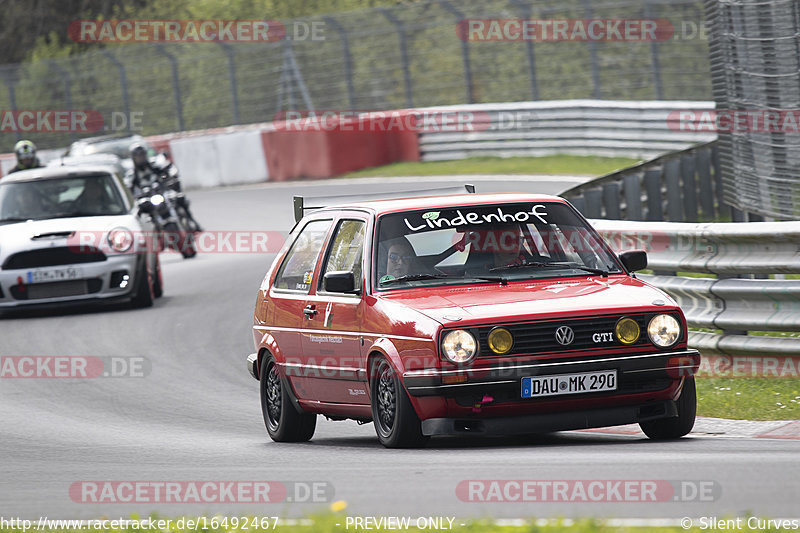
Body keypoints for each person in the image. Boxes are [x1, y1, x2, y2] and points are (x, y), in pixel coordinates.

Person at [129, 143, 202, 231]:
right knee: (139, 214)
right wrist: (138, 197)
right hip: (147, 198)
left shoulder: (154, 166)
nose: (141, 158)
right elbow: (130, 189)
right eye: (138, 156)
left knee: (180, 198)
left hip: (162, 193)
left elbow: (168, 170)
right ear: (134, 158)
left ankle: (191, 221)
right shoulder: (132, 174)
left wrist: (170, 180)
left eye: (142, 155)